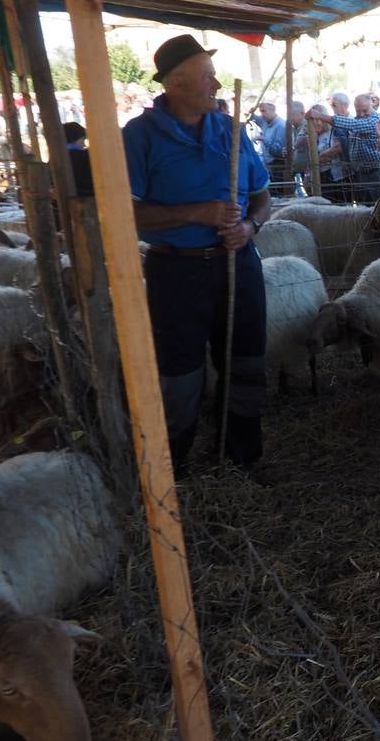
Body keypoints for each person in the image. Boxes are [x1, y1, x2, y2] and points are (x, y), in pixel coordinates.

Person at [122, 34, 271, 476]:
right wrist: (199, 212)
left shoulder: (232, 130)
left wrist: (250, 227)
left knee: (247, 358)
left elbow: (262, 196)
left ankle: (243, 455)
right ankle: (176, 467)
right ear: (177, 84)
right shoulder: (140, 136)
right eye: (207, 77)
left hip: (238, 263)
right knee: (180, 370)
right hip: (177, 271)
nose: (216, 84)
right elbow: (126, 213)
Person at [310, 93, 380, 203]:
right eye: (358, 111)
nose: (362, 114)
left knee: (377, 205)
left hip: (373, 173)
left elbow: (354, 125)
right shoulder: (358, 119)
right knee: (363, 206)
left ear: (371, 106)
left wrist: (320, 116)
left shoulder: (375, 120)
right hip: (360, 172)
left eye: (365, 111)